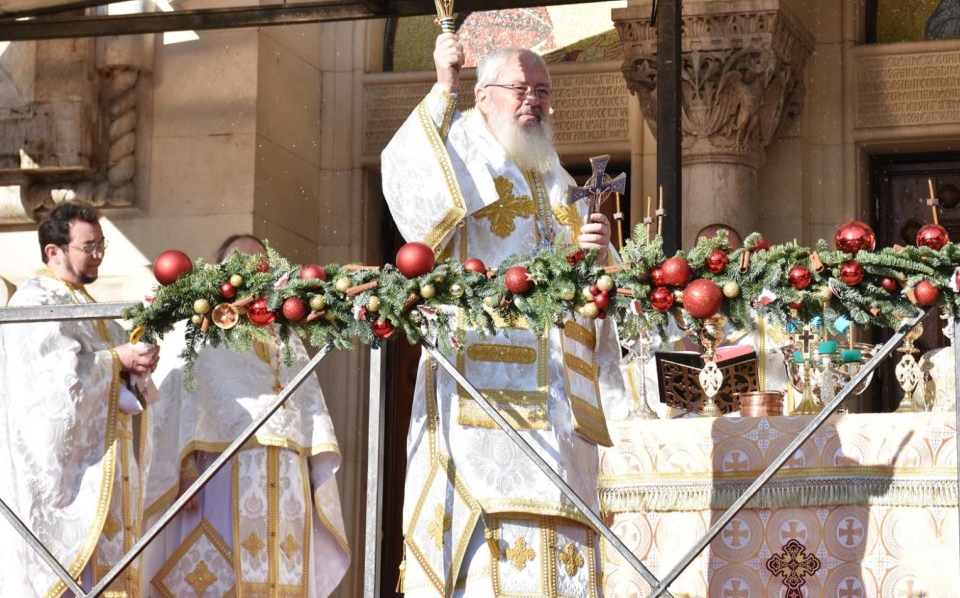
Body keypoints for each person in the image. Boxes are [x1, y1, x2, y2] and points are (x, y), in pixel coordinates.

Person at [381, 34, 628, 597]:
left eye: (543, 91)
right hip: (484, 384)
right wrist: (443, 88)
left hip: (559, 403)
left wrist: (596, 253)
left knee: (560, 533)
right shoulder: (459, 145)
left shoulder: (555, 176)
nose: (532, 101)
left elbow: (582, 287)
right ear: (484, 95)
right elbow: (411, 190)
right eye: (520, 88)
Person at [141, 234, 350, 598]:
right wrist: (184, 471)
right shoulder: (203, 327)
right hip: (221, 473)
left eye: (260, 265)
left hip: (287, 478)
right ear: (221, 271)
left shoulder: (285, 333)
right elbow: (178, 400)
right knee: (222, 575)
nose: (251, 272)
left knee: (282, 575)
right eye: (241, 263)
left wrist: (313, 472)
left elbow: (309, 408)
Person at [0, 200, 159, 596]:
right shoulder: (35, 301)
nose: (99, 254)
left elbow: (116, 366)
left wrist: (138, 364)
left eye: (102, 244)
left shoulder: (90, 306)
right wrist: (117, 360)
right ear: (53, 250)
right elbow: (54, 383)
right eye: (89, 246)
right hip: (71, 481)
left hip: (110, 468)